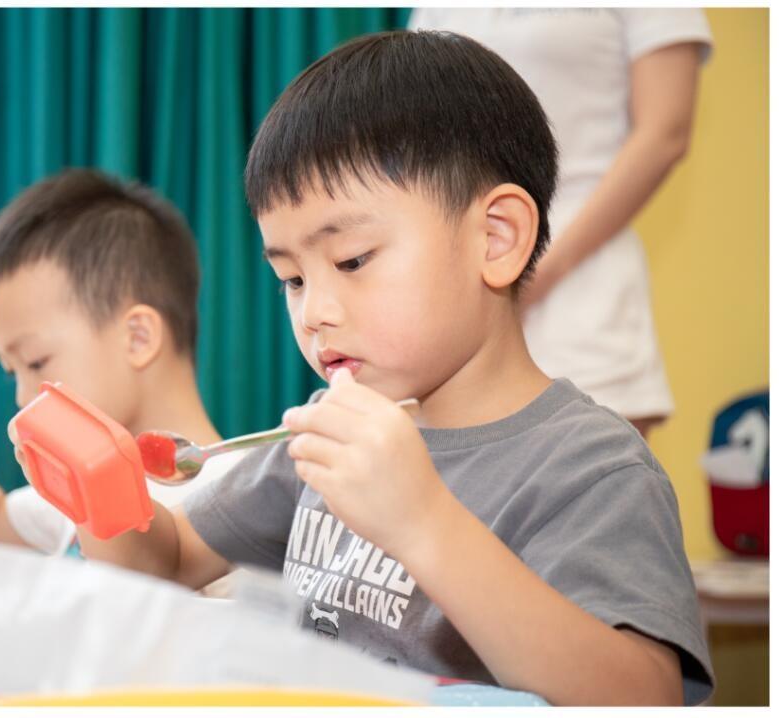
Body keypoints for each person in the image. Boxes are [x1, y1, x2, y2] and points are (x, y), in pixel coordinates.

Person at [40, 31, 714, 705]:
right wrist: (95, 489)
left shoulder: (591, 469)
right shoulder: (326, 442)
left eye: (353, 260)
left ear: (497, 238)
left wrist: (423, 522)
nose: (314, 312)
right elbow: (170, 561)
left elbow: (642, 695)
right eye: (292, 279)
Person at [0, 169, 241, 556]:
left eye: (36, 362)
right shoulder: (77, 484)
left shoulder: (241, 496)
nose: (23, 396)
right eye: (10, 371)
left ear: (138, 338)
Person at [409, 8, 713, 440]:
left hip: (580, 277)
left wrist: (537, 271)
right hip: (467, 280)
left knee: (592, 482)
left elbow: (664, 133)